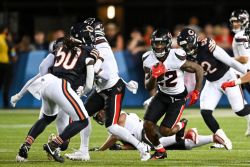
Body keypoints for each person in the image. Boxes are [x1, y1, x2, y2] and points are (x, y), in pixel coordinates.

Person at [65, 17, 150, 161]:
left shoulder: (101, 46)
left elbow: (105, 74)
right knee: (82, 115)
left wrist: (88, 79)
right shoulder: (93, 44)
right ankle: (84, 152)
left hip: (113, 88)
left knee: (112, 126)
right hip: (101, 89)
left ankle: (143, 148)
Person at [12, 22, 98, 163]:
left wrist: (50, 78)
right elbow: (89, 81)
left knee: (46, 118)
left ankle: (24, 148)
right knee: (83, 120)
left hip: (47, 82)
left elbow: (42, 66)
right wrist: (84, 90)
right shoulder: (89, 51)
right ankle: (53, 145)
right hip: (62, 86)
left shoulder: (60, 46)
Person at [177, 28, 250, 150]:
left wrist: (246, 73)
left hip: (227, 77)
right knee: (205, 111)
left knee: (239, 110)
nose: (187, 48)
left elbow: (229, 61)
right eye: (184, 46)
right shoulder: (184, 55)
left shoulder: (207, 46)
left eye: (188, 44)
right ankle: (223, 139)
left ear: (194, 40)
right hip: (211, 83)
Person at [142, 28, 204, 159]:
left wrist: (196, 91)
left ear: (168, 43)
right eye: (156, 43)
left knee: (165, 131)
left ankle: (182, 124)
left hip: (178, 98)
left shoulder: (176, 55)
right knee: (147, 124)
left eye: (162, 43)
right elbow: (148, 86)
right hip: (162, 95)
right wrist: (154, 76)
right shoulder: (147, 58)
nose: (159, 47)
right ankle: (160, 151)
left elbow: (198, 69)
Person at [88, 110, 226, 151]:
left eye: (99, 114)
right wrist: (121, 149)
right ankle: (212, 138)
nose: (99, 117)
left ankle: (182, 127)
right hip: (148, 139)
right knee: (184, 145)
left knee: (168, 141)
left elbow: (115, 136)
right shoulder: (115, 125)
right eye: (97, 117)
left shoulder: (120, 116)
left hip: (148, 133)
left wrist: (101, 150)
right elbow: (135, 145)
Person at [0, 25, 17, 108]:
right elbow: (12, 50)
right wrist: (14, 57)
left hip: (3, 64)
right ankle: (6, 105)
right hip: (6, 64)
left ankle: (6, 104)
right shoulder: (6, 39)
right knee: (6, 85)